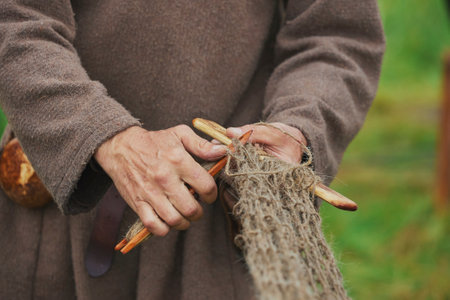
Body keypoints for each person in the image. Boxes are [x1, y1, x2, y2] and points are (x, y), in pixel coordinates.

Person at [0, 0, 384, 299]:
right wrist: (105, 136)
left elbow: (336, 34)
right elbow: (15, 19)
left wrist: (299, 125)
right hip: (55, 213)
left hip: (220, 225)